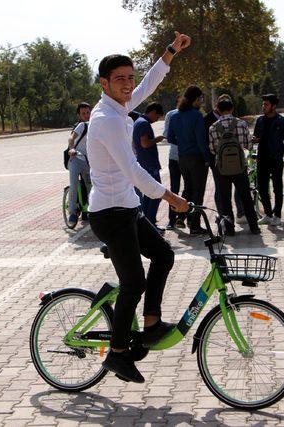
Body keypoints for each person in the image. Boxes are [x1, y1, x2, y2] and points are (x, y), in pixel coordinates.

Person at [87, 32, 191, 384]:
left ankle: (150, 324)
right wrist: (170, 197)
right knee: (133, 282)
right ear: (104, 84)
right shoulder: (106, 119)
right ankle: (116, 354)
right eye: (120, 80)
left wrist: (170, 52)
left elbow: (147, 85)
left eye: (130, 78)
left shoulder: (119, 107)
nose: (129, 85)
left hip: (127, 209)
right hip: (108, 216)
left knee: (164, 256)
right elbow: (133, 171)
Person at [208, 96, 260, 235]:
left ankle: (229, 230)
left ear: (218, 109)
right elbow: (247, 145)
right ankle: (254, 227)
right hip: (240, 167)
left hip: (222, 168)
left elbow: (213, 150)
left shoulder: (213, 127)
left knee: (225, 199)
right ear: (232, 109)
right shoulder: (241, 124)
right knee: (245, 197)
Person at [167, 85, 210, 235]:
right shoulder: (197, 115)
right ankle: (195, 226)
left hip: (182, 158)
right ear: (196, 99)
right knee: (198, 192)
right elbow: (201, 140)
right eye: (201, 99)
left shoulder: (175, 116)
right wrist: (207, 158)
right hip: (197, 158)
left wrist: (184, 143)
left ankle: (181, 215)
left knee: (187, 188)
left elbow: (170, 137)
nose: (201, 102)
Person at [204, 95, 245, 224]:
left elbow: (211, 148)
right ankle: (223, 216)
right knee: (222, 192)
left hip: (222, 162)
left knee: (234, 190)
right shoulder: (208, 120)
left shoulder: (214, 126)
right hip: (223, 164)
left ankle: (237, 215)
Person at [253, 94, 284, 226]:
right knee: (262, 188)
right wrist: (255, 139)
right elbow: (256, 136)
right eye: (263, 104)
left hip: (275, 159)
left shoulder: (281, 121)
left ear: (274, 106)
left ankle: (278, 216)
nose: (264, 106)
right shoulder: (260, 120)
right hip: (262, 158)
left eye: (266, 104)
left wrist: (279, 152)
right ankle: (268, 214)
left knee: (277, 188)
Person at [133, 102, 165, 228]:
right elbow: (145, 143)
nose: (156, 120)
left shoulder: (138, 121)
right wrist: (157, 139)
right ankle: (150, 223)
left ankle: (146, 222)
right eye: (157, 117)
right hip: (149, 165)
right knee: (156, 194)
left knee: (148, 195)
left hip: (144, 163)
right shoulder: (144, 123)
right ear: (152, 112)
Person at [66, 102, 92, 228]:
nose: (87, 115)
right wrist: (71, 149)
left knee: (91, 187)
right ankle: (72, 213)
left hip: (88, 161)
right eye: (83, 113)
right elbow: (71, 138)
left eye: (88, 112)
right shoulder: (82, 126)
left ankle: (92, 211)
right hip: (76, 159)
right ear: (79, 115)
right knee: (74, 185)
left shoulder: (95, 125)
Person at [163, 96, 186, 230]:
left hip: (187, 157)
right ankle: (171, 220)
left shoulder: (191, 113)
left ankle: (182, 217)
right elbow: (166, 133)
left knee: (188, 188)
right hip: (174, 156)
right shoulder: (171, 114)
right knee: (174, 188)